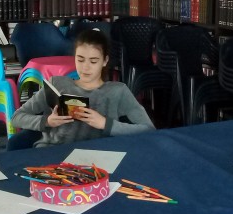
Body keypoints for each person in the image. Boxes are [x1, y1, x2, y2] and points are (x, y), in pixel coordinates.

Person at [11, 28, 154, 147]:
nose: (85, 67)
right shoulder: (57, 84)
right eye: (80, 60)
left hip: (96, 158)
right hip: (53, 153)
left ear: (105, 61)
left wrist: (106, 124)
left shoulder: (117, 91)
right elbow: (17, 117)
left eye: (93, 61)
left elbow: (148, 129)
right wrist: (47, 121)